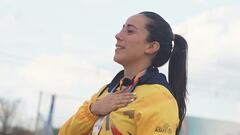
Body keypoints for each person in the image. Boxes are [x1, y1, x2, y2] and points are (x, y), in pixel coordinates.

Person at [58, 11, 188, 135]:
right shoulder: (106, 91)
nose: (118, 35)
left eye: (130, 31)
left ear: (151, 47)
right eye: (122, 29)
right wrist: (93, 110)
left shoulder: (159, 99)